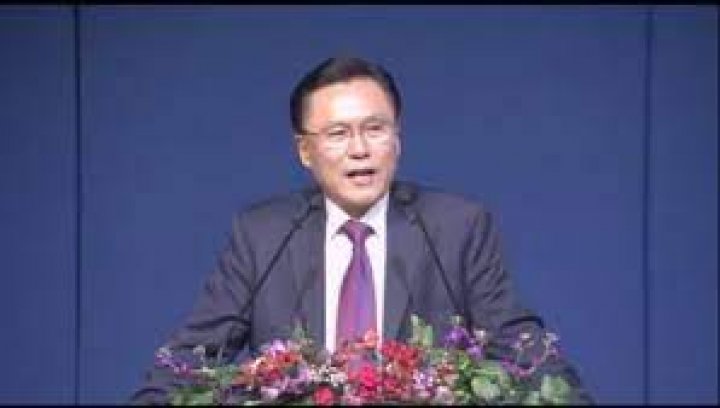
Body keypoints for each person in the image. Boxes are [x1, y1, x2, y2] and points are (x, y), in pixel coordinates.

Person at [131, 55, 592, 404]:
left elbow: (522, 349)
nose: (360, 150)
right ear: (304, 151)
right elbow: (189, 362)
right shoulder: (262, 235)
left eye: (375, 129)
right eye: (337, 134)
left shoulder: (456, 227)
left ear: (397, 139)